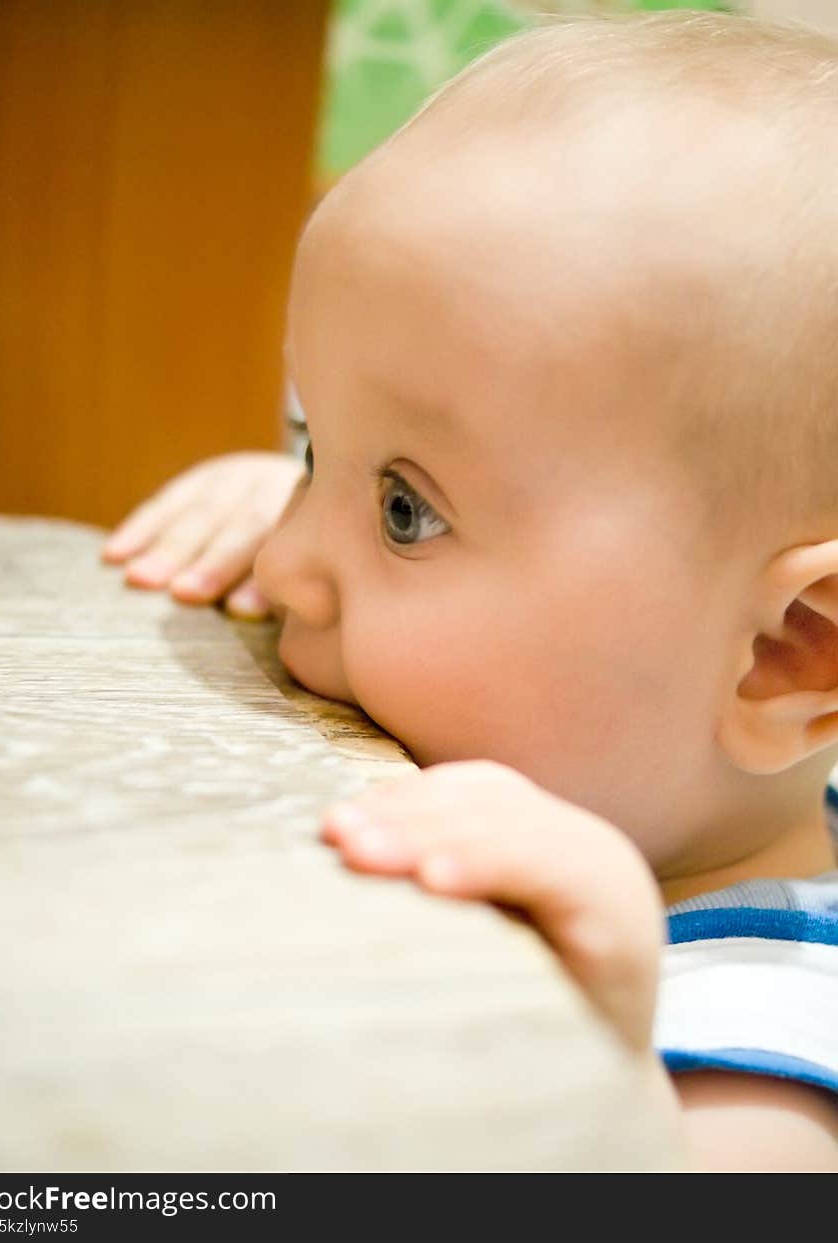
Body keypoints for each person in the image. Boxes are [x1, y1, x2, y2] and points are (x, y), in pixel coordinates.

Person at [101, 11, 838, 1170]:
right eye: (309, 446)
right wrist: (318, 491)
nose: (289, 564)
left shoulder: (766, 1047)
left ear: (787, 652)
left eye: (406, 507)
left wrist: (590, 1048)